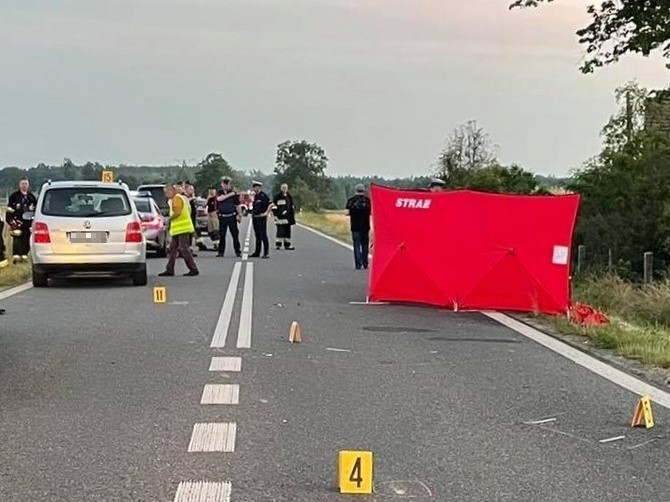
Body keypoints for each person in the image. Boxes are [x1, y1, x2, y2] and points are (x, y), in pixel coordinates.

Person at [158, 184, 199, 277]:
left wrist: (169, 219)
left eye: (166, 192)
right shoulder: (179, 198)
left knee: (184, 249)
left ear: (171, 191)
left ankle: (193, 269)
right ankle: (170, 269)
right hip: (178, 229)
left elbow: (177, 212)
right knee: (172, 249)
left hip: (182, 228)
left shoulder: (177, 199)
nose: (165, 195)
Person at [7, 178, 37, 263]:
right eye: (22, 184)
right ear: (19, 185)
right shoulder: (14, 196)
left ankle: (24, 257)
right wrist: (10, 222)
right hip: (17, 222)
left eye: (26, 184)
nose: (24, 186)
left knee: (27, 239)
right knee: (17, 239)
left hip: (28, 222)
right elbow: (9, 210)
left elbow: (36, 209)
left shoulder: (31, 197)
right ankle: (16, 258)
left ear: (28, 185)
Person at [345, 184, 372, 270]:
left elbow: (347, 212)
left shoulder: (351, 201)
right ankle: (365, 263)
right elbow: (371, 212)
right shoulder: (368, 201)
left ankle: (358, 264)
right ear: (364, 191)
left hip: (355, 226)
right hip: (365, 226)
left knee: (357, 245)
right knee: (365, 245)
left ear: (355, 190)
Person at [216, 176, 242, 258]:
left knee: (235, 235)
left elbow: (238, 205)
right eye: (224, 184)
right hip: (222, 217)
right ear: (222, 184)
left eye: (227, 184)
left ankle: (238, 251)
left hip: (231, 216)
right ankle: (221, 252)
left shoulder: (234, 194)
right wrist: (231, 194)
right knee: (222, 235)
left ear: (230, 185)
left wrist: (240, 215)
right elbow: (219, 199)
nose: (226, 185)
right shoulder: (220, 192)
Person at [249, 180, 272, 258]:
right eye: (254, 187)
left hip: (261, 217)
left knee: (263, 235)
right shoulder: (256, 196)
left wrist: (266, 213)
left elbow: (271, 204)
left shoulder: (263, 196)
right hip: (255, 217)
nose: (254, 189)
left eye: (255, 187)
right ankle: (257, 252)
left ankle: (266, 252)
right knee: (257, 235)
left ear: (259, 187)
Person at [272, 183, 296, 250]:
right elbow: (273, 206)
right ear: (281, 188)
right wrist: (275, 215)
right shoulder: (277, 197)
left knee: (287, 232)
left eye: (286, 188)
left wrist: (292, 218)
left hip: (288, 218)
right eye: (283, 188)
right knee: (280, 231)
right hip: (279, 217)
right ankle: (278, 245)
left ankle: (287, 245)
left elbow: (291, 208)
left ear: (287, 189)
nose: (285, 189)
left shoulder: (289, 197)